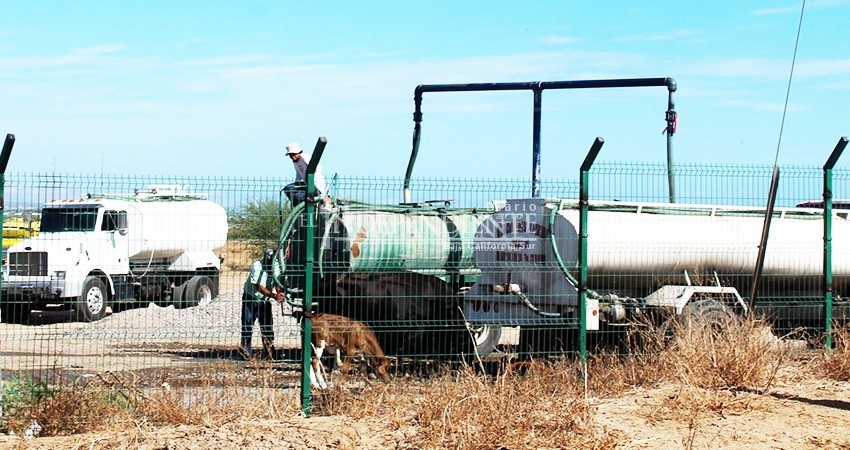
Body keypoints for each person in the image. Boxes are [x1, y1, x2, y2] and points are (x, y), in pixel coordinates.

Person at [240, 248, 284, 360]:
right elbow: (258, 286)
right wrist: (274, 296)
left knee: (267, 326)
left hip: (264, 300)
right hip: (251, 298)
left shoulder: (276, 266)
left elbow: (276, 282)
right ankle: (246, 351)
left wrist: (279, 292)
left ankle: (269, 351)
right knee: (248, 325)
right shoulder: (257, 266)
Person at [283, 141, 328, 207]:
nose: (293, 156)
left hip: (315, 186)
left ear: (299, 152)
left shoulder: (305, 157)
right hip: (306, 185)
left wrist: (310, 172)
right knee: (288, 188)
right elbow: (298, 173)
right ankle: (298, 207)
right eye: (291, 154)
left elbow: (318, 168)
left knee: (298, 196)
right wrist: (296, 184)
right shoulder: (295, 162)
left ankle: (303, 208)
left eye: (294, 154)